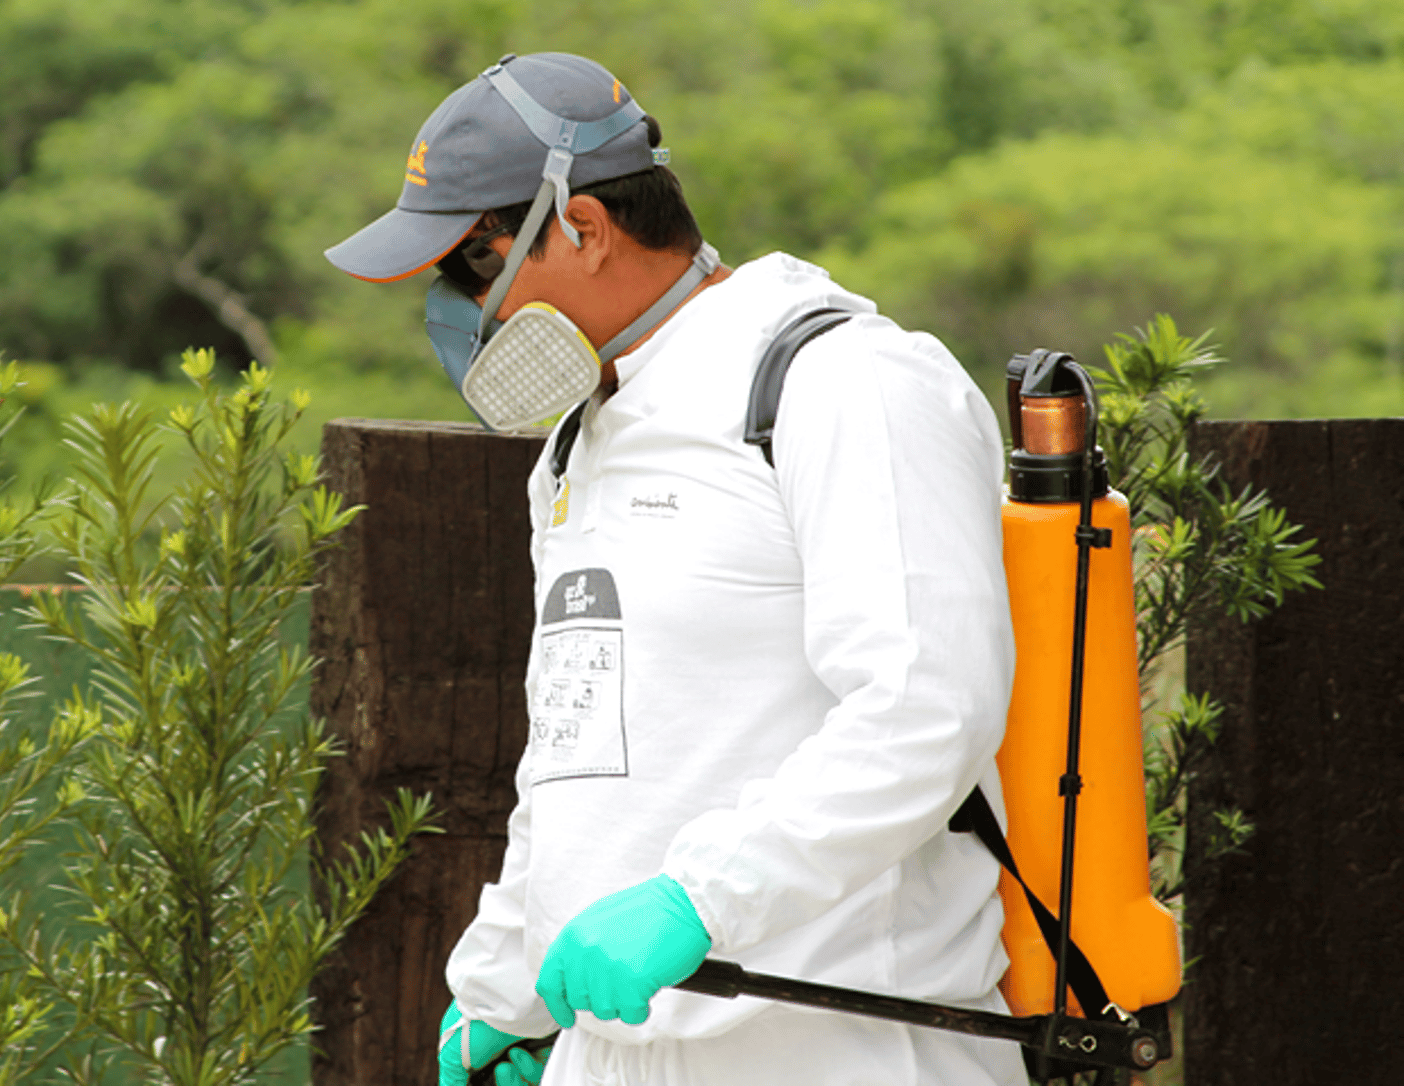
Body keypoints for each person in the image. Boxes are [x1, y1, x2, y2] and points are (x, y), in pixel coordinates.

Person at [325, 52, 1024, 1086]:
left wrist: (699, 902)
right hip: (615, 1053)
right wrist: (503, 995)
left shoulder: (840, 380)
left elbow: (925, 708)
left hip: (841, 1048)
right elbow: (575, 752)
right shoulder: (576, 445)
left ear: (584, 228)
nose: (458, 309)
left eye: (472, 266)